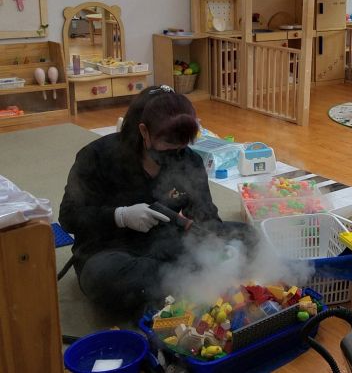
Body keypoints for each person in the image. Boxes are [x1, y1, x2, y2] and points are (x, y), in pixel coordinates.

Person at [59, 85, 256, 315]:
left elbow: (205, 215)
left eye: (182, 147)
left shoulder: (188, 161)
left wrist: (218, 244)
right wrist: (120, 216)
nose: (176, 155)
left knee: (247, 236)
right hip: (110, 249)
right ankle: (190, 279)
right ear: (144, 132)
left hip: (165, 242)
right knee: (104, 279)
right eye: (169, 146)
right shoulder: (97, 156)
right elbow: (69, 217)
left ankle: (176, 284)